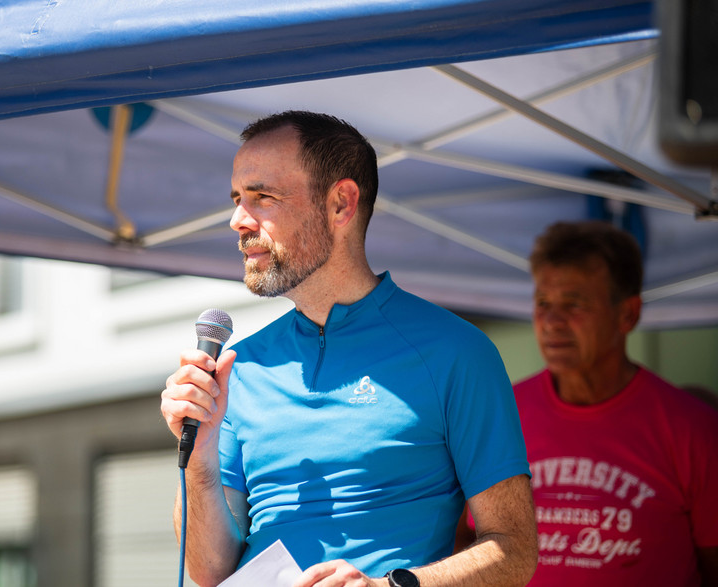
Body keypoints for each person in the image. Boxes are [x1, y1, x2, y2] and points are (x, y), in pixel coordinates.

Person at [161, 110, 537, 587]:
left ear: (340, 204)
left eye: (263, 197)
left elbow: (515, 549)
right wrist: (199, 460)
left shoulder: (456, 352)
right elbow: (208, 569)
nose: (237, 220)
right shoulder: (240, 366)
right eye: (237, 199)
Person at [456, 220, 718, 585]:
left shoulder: (694, 431)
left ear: (628, 314)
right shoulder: (498, 414)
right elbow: (460, 542)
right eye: (543, 303)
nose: (552, 321)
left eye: (574, 304)